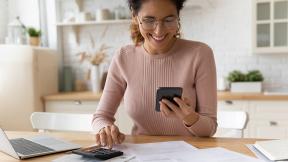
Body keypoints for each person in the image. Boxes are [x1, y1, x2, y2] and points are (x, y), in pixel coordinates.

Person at [92, 0, 217, 149]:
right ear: (135, 17)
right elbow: (101, 117)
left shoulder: (200, 54)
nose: (159, 31)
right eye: (149, 20)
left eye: (169, 20)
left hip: (189, 152)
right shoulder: (123, 57)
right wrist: (104, 128)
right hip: (141, 153)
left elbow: (210, 128)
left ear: (178, 16)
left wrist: (190, 118)